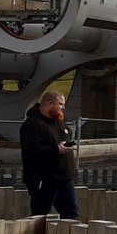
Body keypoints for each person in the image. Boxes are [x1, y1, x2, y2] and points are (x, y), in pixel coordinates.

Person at [20, 90, 79, 220]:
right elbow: (32, 150)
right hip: (45, 179)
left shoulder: (58, 121)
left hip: (64, 178)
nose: (63, 107)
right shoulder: (33, 124)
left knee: (71, 214)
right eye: (60, 104)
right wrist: (56, 150)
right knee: (40, 215)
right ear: (49, 104)